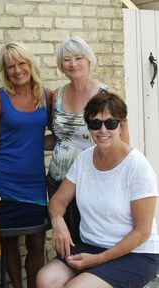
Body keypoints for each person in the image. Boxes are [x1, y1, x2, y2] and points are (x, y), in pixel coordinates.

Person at [37, 91, 159, 288]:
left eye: (110, 123)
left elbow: (142, 232)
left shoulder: (137, 166)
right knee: (46, 280)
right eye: (95, 123)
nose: (102, 130)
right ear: (87, 126)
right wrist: (58, 222)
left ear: (122, 124)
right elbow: (58, 202)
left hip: (136, 253)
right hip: (91, 244)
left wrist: (99, 259)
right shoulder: (84, 159)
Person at [0, 41, 52, 288]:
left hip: (35, 183)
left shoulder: (47, 97)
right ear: (5, 71)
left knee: (36, 244)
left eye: (21, 63)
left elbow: (58, 135)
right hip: (5, 182)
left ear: (30, 64)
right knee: (10, 244)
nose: (16, 70)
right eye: (10, 66)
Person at [47, 36, 129, 241]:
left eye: (79, 57)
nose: (73, 64)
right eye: (67, 59)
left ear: (89, 60)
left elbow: (123, 142)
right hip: (58, 181)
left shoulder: (105, 94)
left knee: (91, 240)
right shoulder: (57, 94)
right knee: (65, 241)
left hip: (91, 182)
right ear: (60, 64)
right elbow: (58, 137)